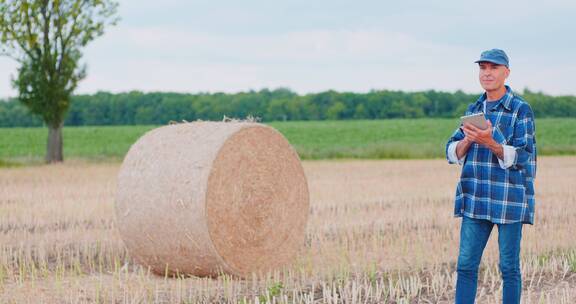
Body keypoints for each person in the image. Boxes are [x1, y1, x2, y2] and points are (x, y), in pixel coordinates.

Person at [445, 49, 537, 304]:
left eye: (493, 68)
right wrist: (467, 140)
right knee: (465, 266)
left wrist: (490, 141)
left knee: (508, 268)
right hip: (476, 198)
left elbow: (524, 156)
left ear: (506, 72)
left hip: (509, 200)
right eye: (483, 68)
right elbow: (451, 151)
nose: (487, 73)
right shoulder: (474, 108)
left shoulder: (520, 109)